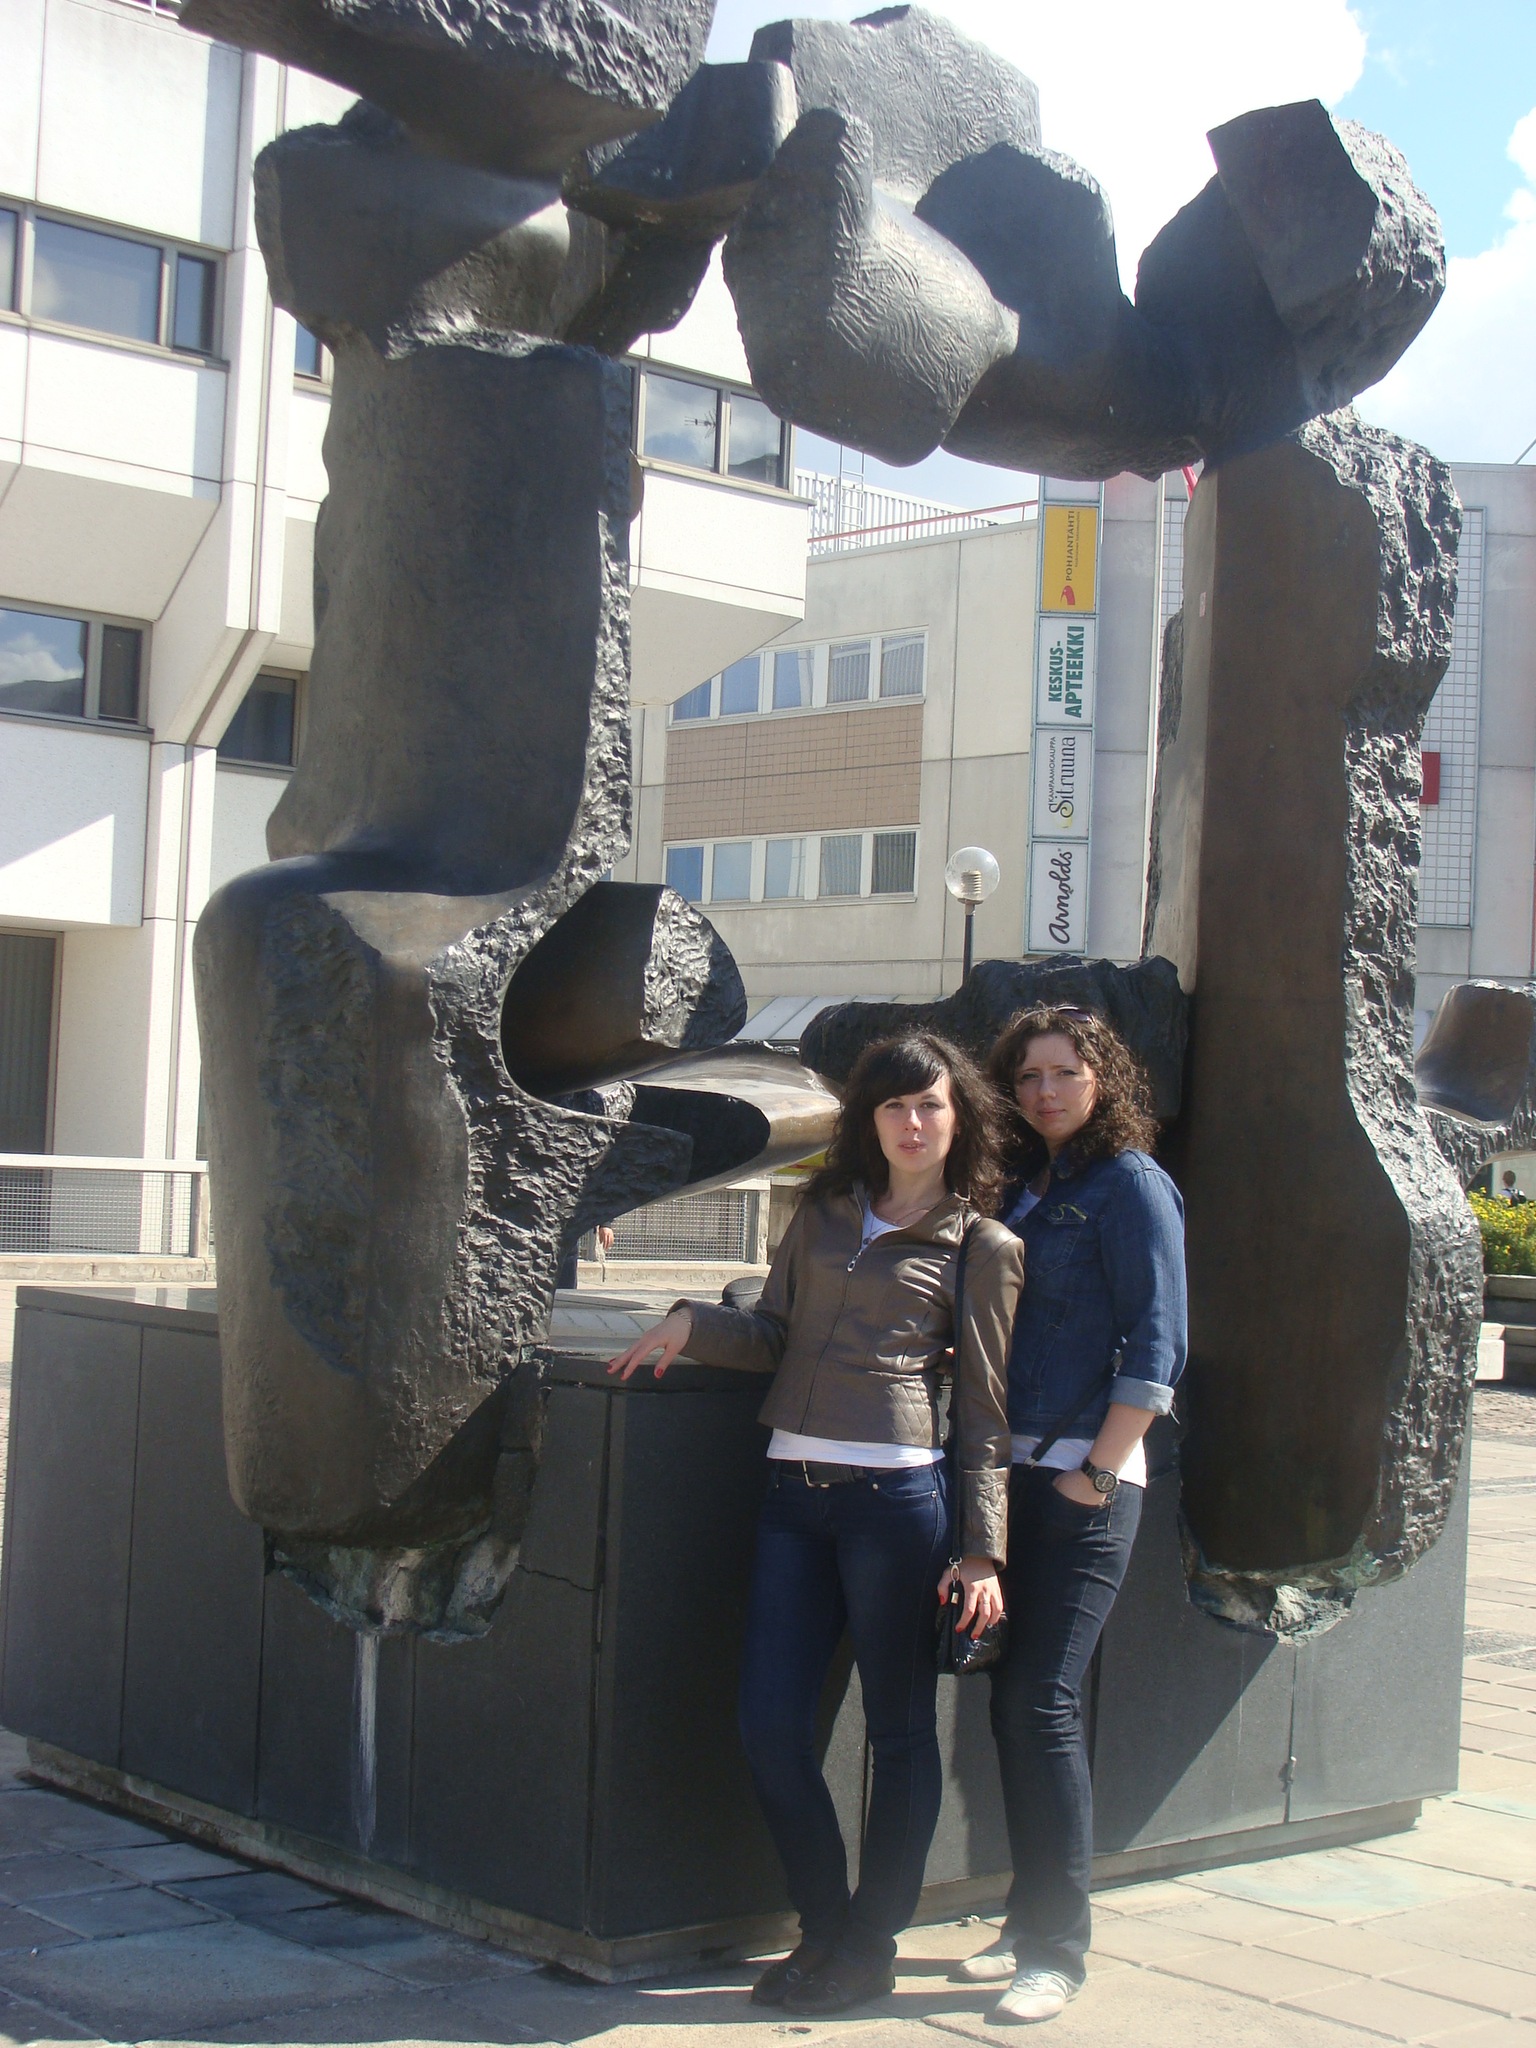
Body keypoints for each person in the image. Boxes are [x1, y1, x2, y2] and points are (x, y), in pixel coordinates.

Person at [607, 1033, 1022, 2015]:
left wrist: (982, 1549)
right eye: (894, 1105)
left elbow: (987, 1409)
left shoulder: (982, 1246)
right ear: (868, 1118)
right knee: (770, 1725)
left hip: (898, 1505)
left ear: (958, 1117)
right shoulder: (825, 1212)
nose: (912, 1122)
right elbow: (776, 1336)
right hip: (794, 1495)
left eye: (930, 1105)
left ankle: (869, 1943)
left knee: (900, 1733)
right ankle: (827, 1926)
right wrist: (691, 1323)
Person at [953, 1005, 1187, 2025]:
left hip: (1085, 1483)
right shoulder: (1026, 1186)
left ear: (1103, 1080)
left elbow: (1158, 1340)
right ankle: (1026, 1918)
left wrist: (1096, 1470)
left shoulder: (1130, 1184)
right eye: (1029, 1075)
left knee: (1042, 1701)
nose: (1046, 1091)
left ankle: (1057, 1949)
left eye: (1066, 1072)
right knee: (1012, 1703)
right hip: (1006, 1477)